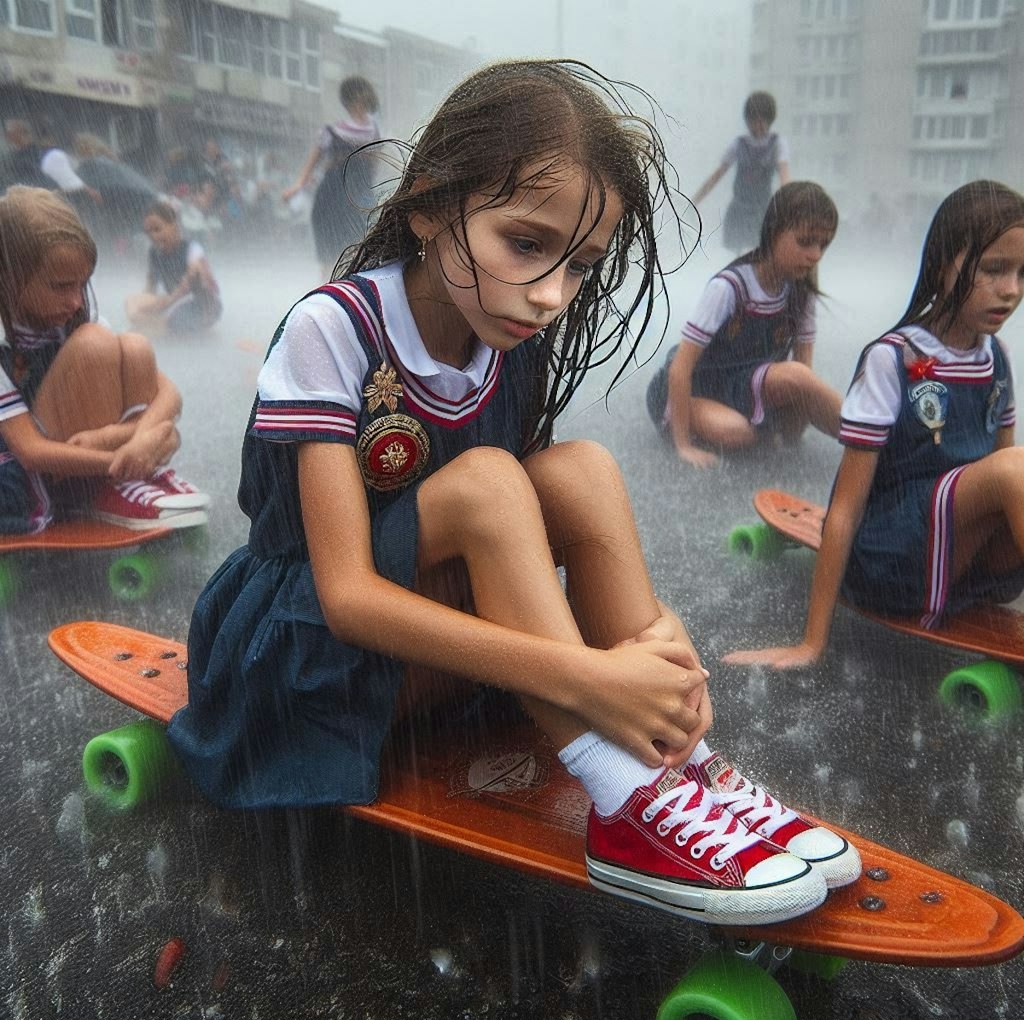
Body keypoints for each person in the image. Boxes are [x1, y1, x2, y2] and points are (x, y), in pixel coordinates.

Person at [167, 60, 861, 926]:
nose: (549, 294)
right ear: (427, 205)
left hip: (431, 665)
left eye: (580, 267)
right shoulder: (333, 329)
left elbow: (534, 521)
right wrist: (588, 675)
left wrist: (653, 648)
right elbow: (344, 596)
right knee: (494, 483)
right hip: (295, 665)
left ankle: (683, 765)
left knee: (580, 470)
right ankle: (621, 796)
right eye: (526, 245)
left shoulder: (509, 338)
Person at [725, 181, 1024, 669]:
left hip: (963, 560)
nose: (1011, 290)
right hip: (891, 562)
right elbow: (843, 509)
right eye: (993, 270)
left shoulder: (997, 359)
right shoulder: (894, 359)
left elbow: (999, 481)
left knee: (1014, 468)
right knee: (1015, 468)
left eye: (1021, 272)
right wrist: (811, 644)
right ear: (946, 263)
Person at [0, 187, 209, 534]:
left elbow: (168, 394)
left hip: (84, 453)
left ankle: (130, 481)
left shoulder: (74, 311)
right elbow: (31, 451)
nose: (76, 301)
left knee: (135, 345)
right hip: (26, 475)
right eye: (61, 286)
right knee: (95, 344)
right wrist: (123, 458)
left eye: (82, 284)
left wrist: (141, 442)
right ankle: (108, 486)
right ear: (8, 280)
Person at [647, 182, 843, 468]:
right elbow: (681, 366)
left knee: (797, 386)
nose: (815, 255)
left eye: (823, 245)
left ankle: (869, 441)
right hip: (698, 387)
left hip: (745, 385)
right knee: (736, 434)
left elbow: (804, 376)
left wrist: (794, 426)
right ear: (774, 232)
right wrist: (683, 446)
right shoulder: (729, 288)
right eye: (805, 241)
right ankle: (690, 417)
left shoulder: (801, 293)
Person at [281, 75, 381, 279]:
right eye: (361, 94)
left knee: (356, 253)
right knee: (329, 259)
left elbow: (375, 168)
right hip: (332, 196)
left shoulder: (373, 131)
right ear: (354, 99)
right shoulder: (332, 131)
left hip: (357, 198)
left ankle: (348, 299)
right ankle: (325, 300)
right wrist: (297, 185)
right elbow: (312, 162)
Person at [692, 92, 791, 254]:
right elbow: (716, 176)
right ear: (747, 121)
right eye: (753, 121)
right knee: (737, 258)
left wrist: (791, 205)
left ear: (770, 121)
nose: (758, 126)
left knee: (761, 254)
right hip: (739, 210)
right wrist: (694, 201)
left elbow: (785, 176)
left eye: (762, 121)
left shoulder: (777, 144)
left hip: (763, 211)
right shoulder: (738, 145)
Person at [124, 202, 222, 337]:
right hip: (173, 304)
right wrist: (146, 309)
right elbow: (150, 288)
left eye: (157, 229)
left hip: (202, 304)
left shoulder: (192, 249)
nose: (153, 236)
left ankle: (162, 327)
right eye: (148, 232)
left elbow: (192, 278)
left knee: (173, 322)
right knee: (131, 302)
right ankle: (156, 326)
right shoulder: (154, 253)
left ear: (175, 227)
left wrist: (166, 303)